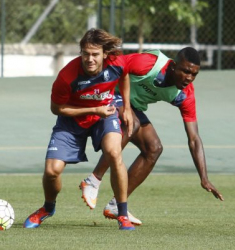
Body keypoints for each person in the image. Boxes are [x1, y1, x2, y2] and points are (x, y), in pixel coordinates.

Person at [79, 47, 224, 226]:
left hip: (131, 106)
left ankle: (117, 204)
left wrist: (204, 177)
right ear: (173, 66)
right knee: (134, 121)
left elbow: (194, 138)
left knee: (153, 149)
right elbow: (116, 64)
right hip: (107, 93)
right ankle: (93, 180)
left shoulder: (185, 95)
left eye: (194, 74)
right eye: (185, 71)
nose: (189, 78)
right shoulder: (149, 64)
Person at [23, 28, 136, 230]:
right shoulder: (67, 76)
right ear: (80, 53)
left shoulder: (116, 63)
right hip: (72, 119)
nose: (90, 59)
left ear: (104, 55)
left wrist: (126, 107)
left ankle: (122, 212)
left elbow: (125, 76)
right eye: (85, 54)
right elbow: (56, 108)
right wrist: (94, 108)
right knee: (51, 171)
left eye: (95, 54)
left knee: (114, 152)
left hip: (104, 115)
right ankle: (48, 208)